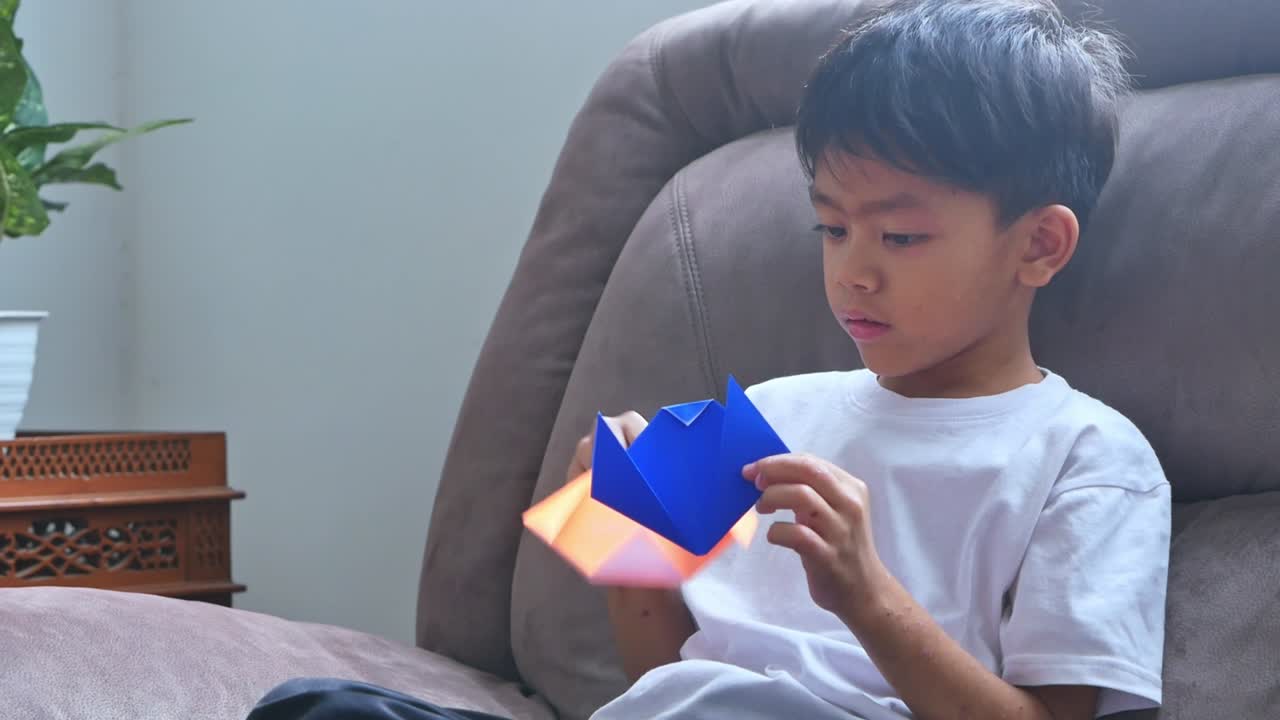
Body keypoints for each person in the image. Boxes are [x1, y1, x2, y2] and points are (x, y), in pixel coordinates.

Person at [247, 1, 1169, 718]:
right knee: (318, 709)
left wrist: (867, 597)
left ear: (1039, 245)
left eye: (900, 236)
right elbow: (662, 681)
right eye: (832, 228)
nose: (853, 272)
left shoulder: (1086, 458)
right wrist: (630, 541)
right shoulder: (762, 416)